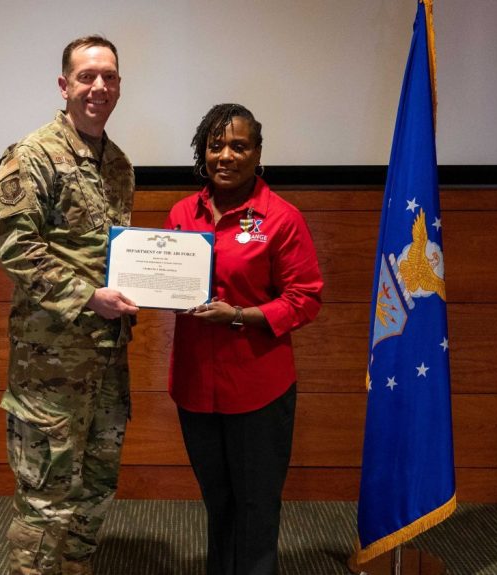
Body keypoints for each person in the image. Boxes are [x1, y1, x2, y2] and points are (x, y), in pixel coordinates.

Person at [0, 35, 138, 575]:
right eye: (86, 76)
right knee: (45, 495)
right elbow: (18, 249)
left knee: (95, 487)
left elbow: (117, 254)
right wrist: (89, 298)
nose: (98, 86)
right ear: (64, 85)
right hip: (49, 366)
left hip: (106, 360)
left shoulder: (119, 165)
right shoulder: (31, 157)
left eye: (109, 77)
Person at [164, 103, 324, 575]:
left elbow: (306, 297)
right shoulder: (180, 213)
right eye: (216, 146)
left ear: (257, 153)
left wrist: (241, 315)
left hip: (258, 389)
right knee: (218, 502)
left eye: (239, 145)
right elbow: (165, 278)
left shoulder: (282, 218)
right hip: (195, 387)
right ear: (202, 152)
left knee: (256, 506)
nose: (226, 156)